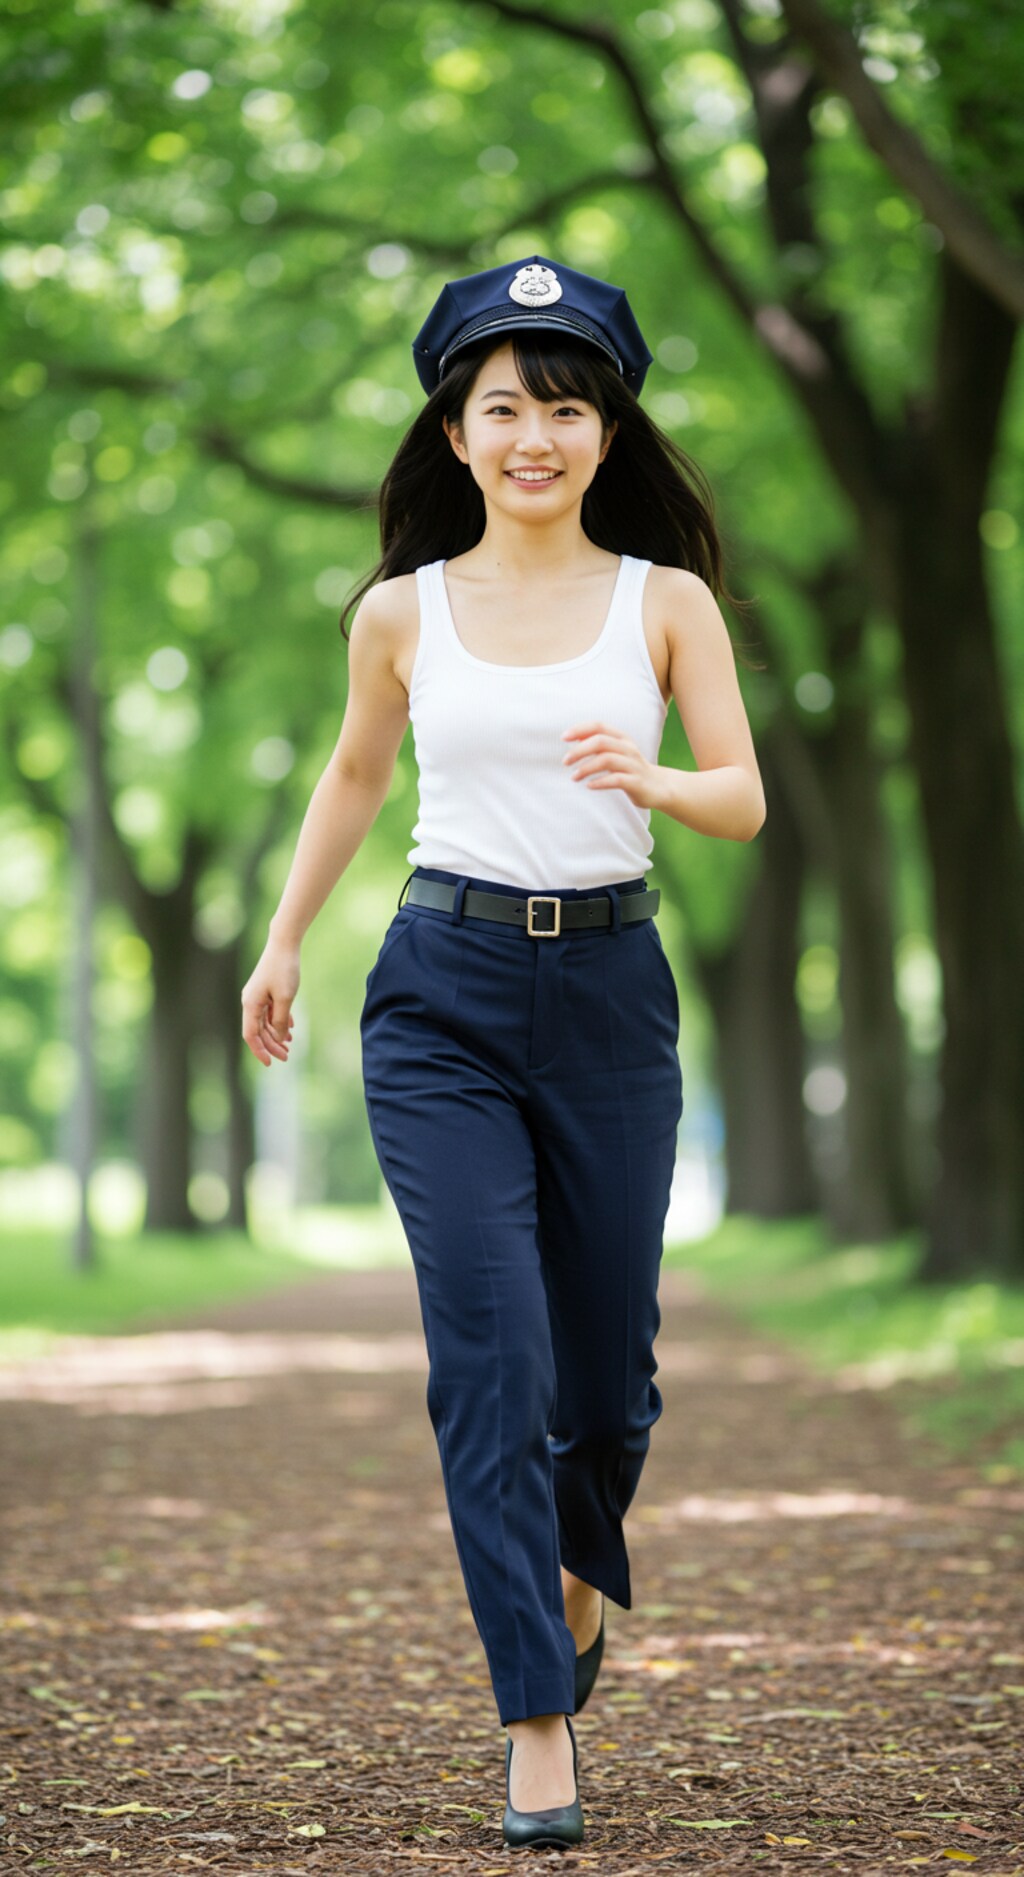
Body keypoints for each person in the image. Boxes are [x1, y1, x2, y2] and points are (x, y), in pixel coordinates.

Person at [241, 253, 766, 1851]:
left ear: (607, 429)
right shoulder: (401, 611)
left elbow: (742, 793)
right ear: (454, 433)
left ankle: (579, 1559)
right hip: (442, 999)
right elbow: (353, 775)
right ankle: (536, 1718)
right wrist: (281, 938)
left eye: (565, 407)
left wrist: (657, 782)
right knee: (491, 1363)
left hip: (610, 998)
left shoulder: (665, 602)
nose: (534, 435)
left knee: (606, 1384)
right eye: (502, 408)